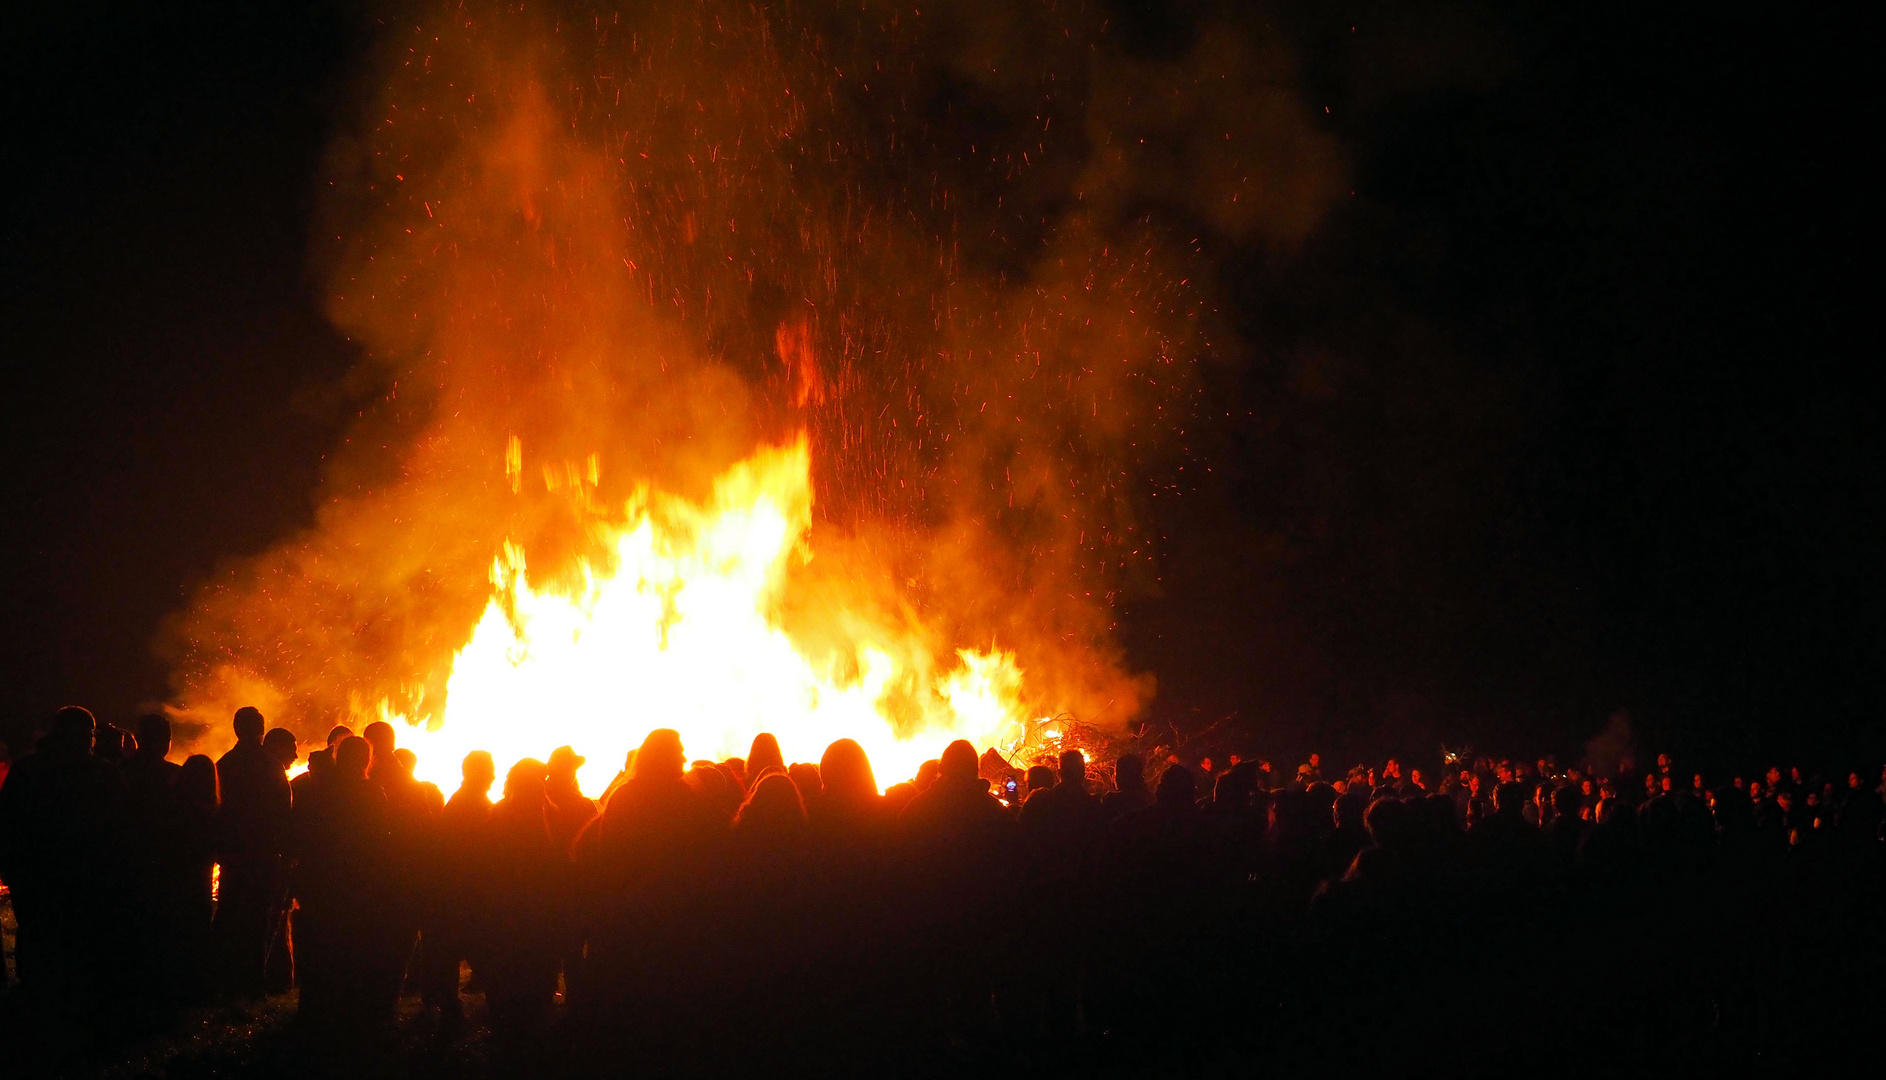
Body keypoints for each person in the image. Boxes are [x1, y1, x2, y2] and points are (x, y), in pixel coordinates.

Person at [0, 706, 134, 1022]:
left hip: (34, 875)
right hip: (84, 875)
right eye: (89, 735)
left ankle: (38, 1004)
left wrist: (12, 866)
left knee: (38, 937)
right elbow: (124, 825)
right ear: (82, 736)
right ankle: (79, 1008)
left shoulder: (28, 769)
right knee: (81, 940)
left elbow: (7, 821)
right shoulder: (101, 773)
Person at [214, 706, 291, 999]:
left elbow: (217, 810)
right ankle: (252, 984)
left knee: (230, 913)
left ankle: (223, 979)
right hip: (263, 855)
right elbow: (284, 811)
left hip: (233, 856)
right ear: (261, 731)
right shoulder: (271, 767)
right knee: (259, 920)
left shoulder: (225, 764)